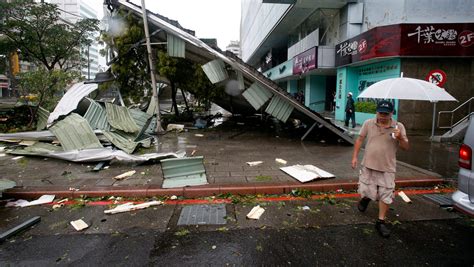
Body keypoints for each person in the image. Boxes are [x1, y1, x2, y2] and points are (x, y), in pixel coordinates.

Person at [351, 100, 409, 238]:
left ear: (391, 113)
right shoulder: (368, 123)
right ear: (376, 112)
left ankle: (380, 221)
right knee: (367, 189)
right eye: (380, 113)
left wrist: (400, 138)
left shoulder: (398, 127)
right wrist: (354, 157)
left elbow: (406, 148)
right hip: (368, 164)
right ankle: (366, 198)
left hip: (387, 168)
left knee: (386, 193)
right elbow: (360, 139)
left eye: (386, 113)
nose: (382, 116)